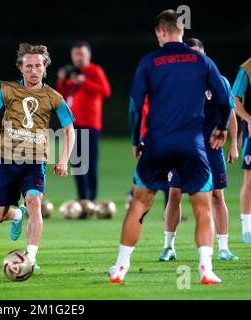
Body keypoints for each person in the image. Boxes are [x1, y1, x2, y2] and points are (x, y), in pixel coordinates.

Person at [108, 10, 231, 285]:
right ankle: (206, 269)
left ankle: (120, 267)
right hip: (193, 145)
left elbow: (134, 106)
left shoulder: (150, 61)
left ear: (160, 33)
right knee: (202, 207)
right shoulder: (202, 60)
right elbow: (223, 99)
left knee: (139, 203)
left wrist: (134, 140)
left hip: (157, 144)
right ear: (182, 32)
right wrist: (222, 128)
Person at [0, 43, 75, 269]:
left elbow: (69, 129)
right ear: (21, 68)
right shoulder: (6, 91)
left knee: (35, 203)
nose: (33, 71)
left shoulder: (54, 97)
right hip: (5, 161)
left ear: (45, 68)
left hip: (35, 163)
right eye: (28, 66)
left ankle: (31, 258)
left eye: (38, 66)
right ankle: (16, 215)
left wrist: (63, 159)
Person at [159, 38, 239, 262]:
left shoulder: (220, 81)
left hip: (211, 148)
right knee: (174, 194)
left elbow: (230, 113)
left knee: (216, 195)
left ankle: (223, 248)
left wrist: (233, 144)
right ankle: (168, 247)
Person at [56, 42, 111, 201]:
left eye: (82, 54)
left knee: (91, 163)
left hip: (90, 123)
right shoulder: (72, 73)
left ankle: (92, 199)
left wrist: (84, 81)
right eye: (76, 54)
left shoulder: (94, 70)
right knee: (77, 163)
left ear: (88, 55)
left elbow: (106, 91)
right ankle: (82, 198)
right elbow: (62, 98)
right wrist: (61, 81)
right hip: (72, 125)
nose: (79, 57)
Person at [232, 56, 251, 243]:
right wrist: (249, 119)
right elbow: (234, 99)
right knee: (250, 180)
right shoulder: (247, 68)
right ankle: (247, 230)